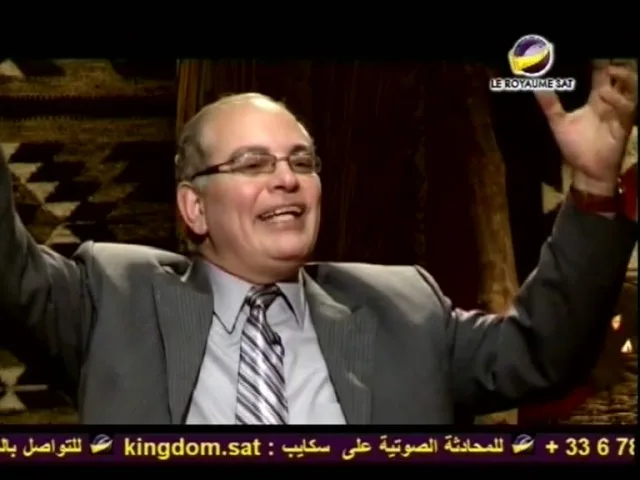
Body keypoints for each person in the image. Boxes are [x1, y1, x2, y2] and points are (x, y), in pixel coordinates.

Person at [0, 62, 636, 425]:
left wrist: (593, 187)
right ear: (194, 207)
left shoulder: (404, 308)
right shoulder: (109, 297)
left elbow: (543, 354)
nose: (287, 178)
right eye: (252, 163)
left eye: (302, 161)